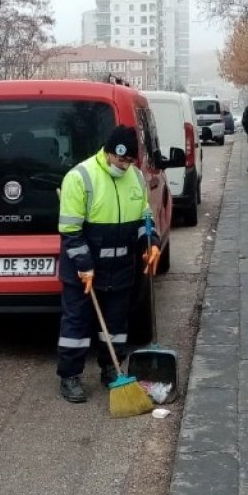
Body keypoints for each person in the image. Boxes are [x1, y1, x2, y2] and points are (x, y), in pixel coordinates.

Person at [56, 125, 161, 404]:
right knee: (76, 324)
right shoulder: (80, 177)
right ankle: (69, 376)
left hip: (121, 266)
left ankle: (111, 370)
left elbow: (144, 219)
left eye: (129, 161)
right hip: (85, 269)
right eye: (120, 159)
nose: (124, 166)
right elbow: (70, 229)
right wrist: (84, 263)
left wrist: (151, 243)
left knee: (115, 325)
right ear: (108, 153)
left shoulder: (136, 177)